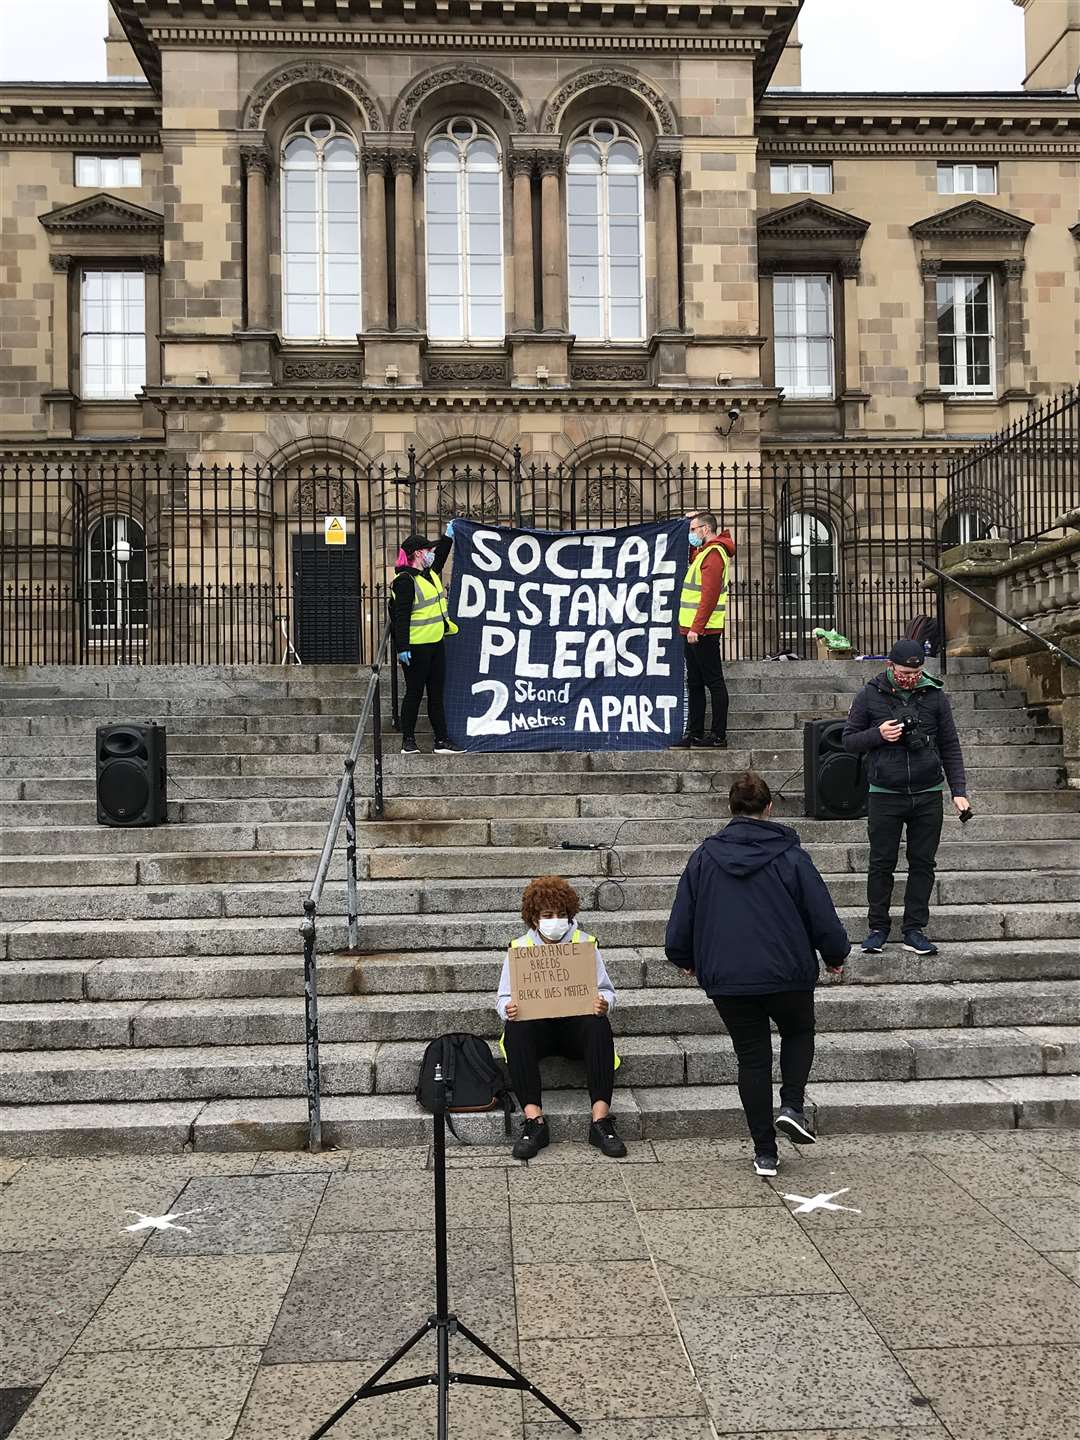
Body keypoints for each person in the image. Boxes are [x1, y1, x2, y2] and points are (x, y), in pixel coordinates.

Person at [664, 771, 849, 1177]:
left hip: (729, 978)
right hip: (787, 973)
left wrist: (683, 957)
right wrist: (835, 954)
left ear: (730, 809)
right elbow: (821, 913)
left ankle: (765, 1152)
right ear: (769, 808)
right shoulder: (791, 856)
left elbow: (682, 917)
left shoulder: (704, 857)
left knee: (752, 1059)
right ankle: (793, 1105)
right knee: (799, 1032)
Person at [842, 638, 970, 957]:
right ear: (889, 666)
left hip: (927, 792)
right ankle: (878, 928)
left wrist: (959, 792)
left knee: (923, 863)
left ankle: (914, 928)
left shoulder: (935, 696)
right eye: (904, 672)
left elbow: (950, 746)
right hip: (885, 793)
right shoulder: (869, 694)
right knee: (881, 862)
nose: (910, 678)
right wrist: (878, 735)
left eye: (916, 672)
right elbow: (848, 741)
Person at [496, 875, 627, 1160]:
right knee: (515, 1027)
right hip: (538, 1030)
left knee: (598, 1024)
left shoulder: (584, 944)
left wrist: (604, 1003)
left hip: (574, 1030)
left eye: (562, 914)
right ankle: (534, 1121)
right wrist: (508, 1009)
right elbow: (503, 997)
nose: (555, 920)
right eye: (547, 915)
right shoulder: (519, 949)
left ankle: (601, 1121)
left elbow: (606, 989)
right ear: (534, 919)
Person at [391, 522, 463, 756]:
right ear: (419, 553)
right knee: (414, 693)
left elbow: (441, 556)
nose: (432, 554)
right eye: (429, 550)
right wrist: (402, 647)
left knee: (435, 694)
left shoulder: (429, 575)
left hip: (435, 644)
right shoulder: (404, 581)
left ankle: (441, 740)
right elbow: (399, 617)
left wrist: (448, 536)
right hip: (416, 647)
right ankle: (408, 741)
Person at [671, 511, 736, 750]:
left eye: (692, 529)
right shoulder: (703, 553)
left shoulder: (714, 554)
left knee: (713, 682)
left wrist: (696, 628)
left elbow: (708, 595)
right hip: (692, 629)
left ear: (705, 530)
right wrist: (687, 517)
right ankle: (695, 733)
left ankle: (718, 735)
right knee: (695, 683)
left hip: (703, 631)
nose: (691, 534)